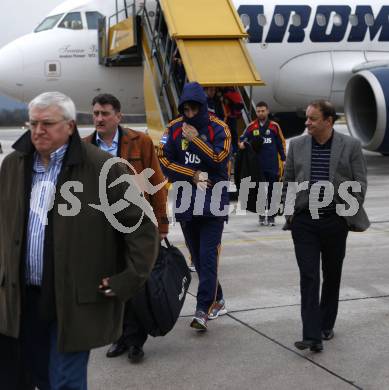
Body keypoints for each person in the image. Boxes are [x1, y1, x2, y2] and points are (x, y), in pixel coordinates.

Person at [0, 92, 159, 389]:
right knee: (35, 376)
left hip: (73, 298)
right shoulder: (13, 164)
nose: (38, 131)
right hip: (22, 296)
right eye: (33, 123)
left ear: (70, 126)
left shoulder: (102, 168)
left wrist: (129, 278)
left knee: (66, 381)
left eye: (47, 123)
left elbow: (141, 227)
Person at [84, 93, 169, 363]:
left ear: (118, 117)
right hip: (101, 228)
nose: (99, 118)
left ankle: (136, 341)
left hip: (135, 224)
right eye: (96, 113)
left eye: (105, 113)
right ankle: (119, 335)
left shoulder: (139, 142)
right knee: (112, 281)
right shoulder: (85, 146)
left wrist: (161, 223)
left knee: (136, 281)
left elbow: (156, 185)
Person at [283, 100, 370, 352]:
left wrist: (345, 214)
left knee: (331, 276)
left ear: (328, 121)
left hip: (335, 221)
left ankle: (325, 324)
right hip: (304, 222)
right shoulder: (297, 146)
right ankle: (312, 335)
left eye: (312, 119)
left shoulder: (351, 146)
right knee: (309, 277)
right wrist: (291, 214)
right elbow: (288, 180)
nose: (307, 123)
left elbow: (360, 183)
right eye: (307, 118)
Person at [158, 82, 231, 330]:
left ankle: (202, 309)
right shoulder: (173, 128)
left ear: (202, 107)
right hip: (185, 202)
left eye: (193, 109)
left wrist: (196, 140)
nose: (189, 114)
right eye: (185, 109)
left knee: (209, 258)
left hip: (213, 203)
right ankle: (218, 298)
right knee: (198, 258)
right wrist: (192, 174)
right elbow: (164, 160)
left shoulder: (219, 127)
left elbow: (220, 160)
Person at [239, 101, 286, 226]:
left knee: (273, 190)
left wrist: (284, 159)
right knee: (260, 191)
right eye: (258, 111)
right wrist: (242, 144)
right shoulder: (251, 126)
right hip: (258, 166)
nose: (260, 113)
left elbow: (281, 143)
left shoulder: (274, 126)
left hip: (272, 165)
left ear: (267, 111)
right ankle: (261, 215)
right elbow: (242, 139)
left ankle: (271, 217)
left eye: (263, 110)